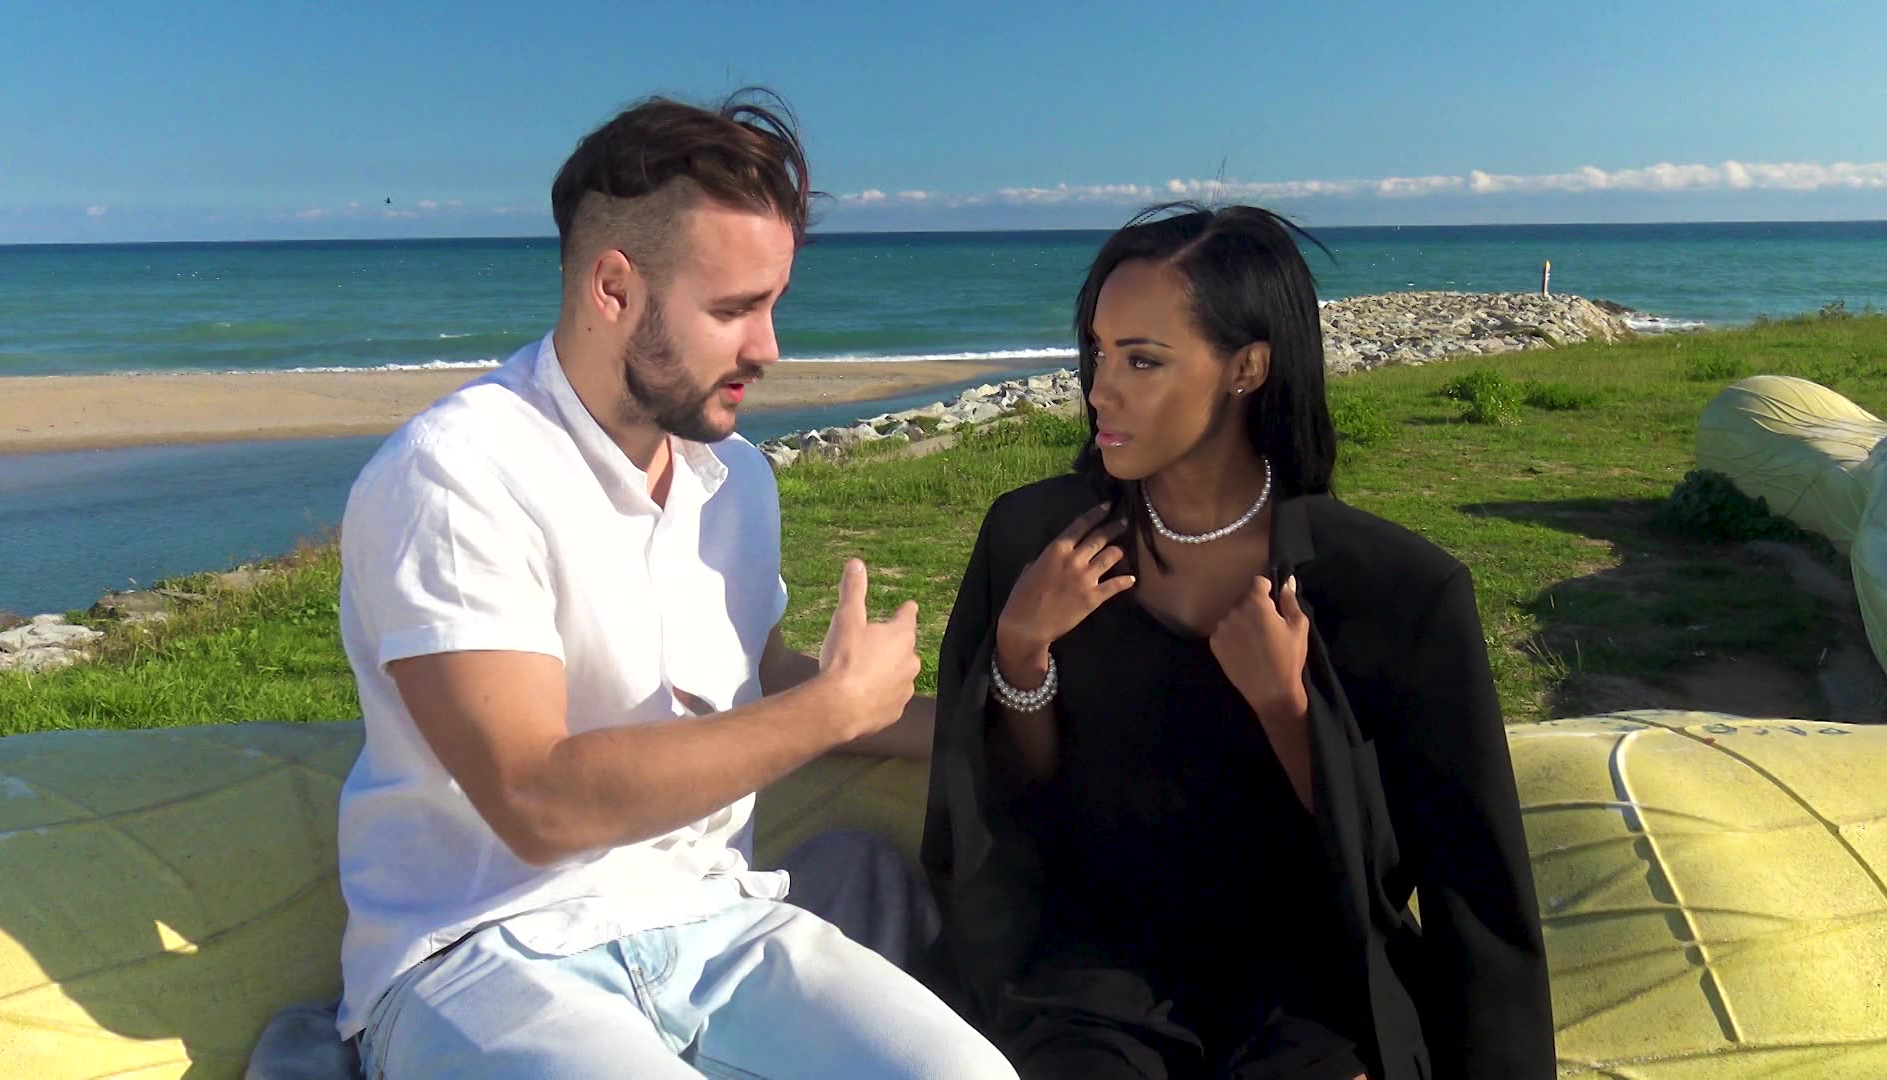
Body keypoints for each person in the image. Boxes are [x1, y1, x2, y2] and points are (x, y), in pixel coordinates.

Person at [330, 90, 1013, 1079]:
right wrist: (830, 709)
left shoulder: (734, 479)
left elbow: (761, 681)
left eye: (772, 304)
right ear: (613, 288)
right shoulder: (454, 473)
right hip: (486, 952)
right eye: (733, 310)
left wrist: (991, 732)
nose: (769, 348)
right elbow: (534, 798)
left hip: (715, 922)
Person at [918, 203, 1555, 1078]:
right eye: (1099, 351)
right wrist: (1021, 653)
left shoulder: (1398, 591)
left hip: (1307, 983)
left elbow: (1450, 879)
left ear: (1247, 368)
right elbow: (1007, 808)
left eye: (1142, 359)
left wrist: (1288, 710)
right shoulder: (1033, 539)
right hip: (1092, 975)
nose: (1099, 389)